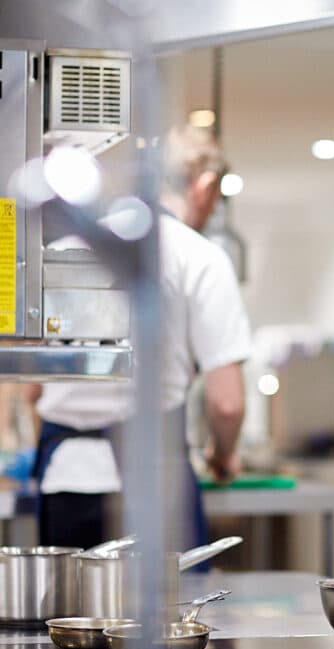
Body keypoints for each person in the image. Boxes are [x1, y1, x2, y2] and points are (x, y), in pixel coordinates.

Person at [30, 125, 252, 554]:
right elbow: (228, 403)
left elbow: (35, 385)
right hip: (155, 480)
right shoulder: (198, 256)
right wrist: (224, 455)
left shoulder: (67, 248)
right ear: (203, 186)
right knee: (168, 615)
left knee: (69, 617)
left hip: (65, 477)